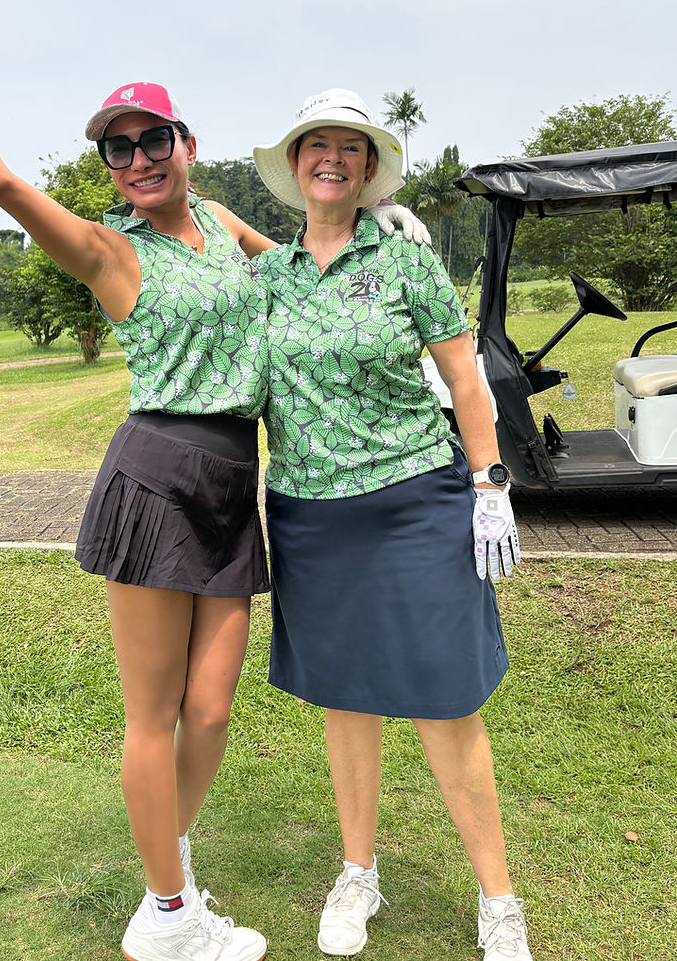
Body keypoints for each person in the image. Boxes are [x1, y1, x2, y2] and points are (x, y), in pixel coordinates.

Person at [0, 0, 426, 961]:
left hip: (234, 481)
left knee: (213, 708)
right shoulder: (108, 251)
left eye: (152, 140)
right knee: (156, 710)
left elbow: (310, 266)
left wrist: (381, 224)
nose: (136, 159)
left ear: (188, 144)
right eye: (117, 148)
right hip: (156, 477)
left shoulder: (222, 224)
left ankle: (164, 879)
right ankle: (172, 912)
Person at [252, 89, 532, 961]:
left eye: (350, 147)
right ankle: (358, 871)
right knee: (348, 696)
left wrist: (490, 484)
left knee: (446, 698)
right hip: (310, 513)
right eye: (315, 145)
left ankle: (499, 901)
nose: (331, 158)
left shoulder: (406, 261)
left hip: (417, 502)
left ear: (368, 169)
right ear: (295, 166)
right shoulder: (266, 276)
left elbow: (466, 380)